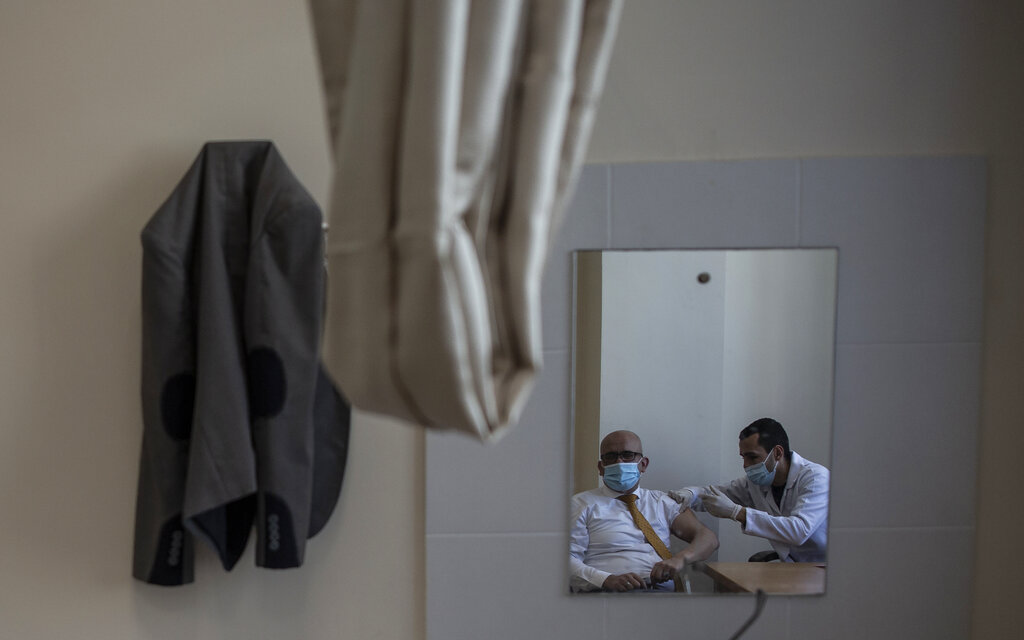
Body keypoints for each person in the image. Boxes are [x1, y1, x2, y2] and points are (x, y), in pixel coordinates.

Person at [569, 430, 719, 592]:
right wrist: (605, 579)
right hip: (605, 593)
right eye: (610, 457)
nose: (619, 462)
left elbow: (708, 538)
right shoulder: (580, 504)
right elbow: (564, 559)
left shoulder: (663, 502)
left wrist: (679, 559)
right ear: (601, 467)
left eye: (627, 455)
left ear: (643, 464)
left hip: (660, 591)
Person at [672, 417, 829, 563]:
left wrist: (737, 513)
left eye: (752, 457)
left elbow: (798, 531)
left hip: (824, 569)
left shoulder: (816, 478)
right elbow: (715, 494)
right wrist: (691, 494)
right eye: (743, 457)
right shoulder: (757, 483)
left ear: (778, 453)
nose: (746, 465)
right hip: (790, 566)